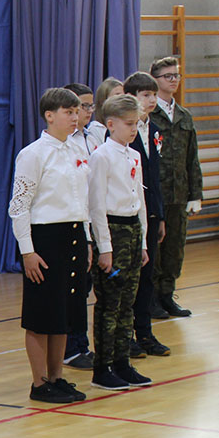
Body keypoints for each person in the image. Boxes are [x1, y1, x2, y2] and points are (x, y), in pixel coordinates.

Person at [8, 88, 91, 404]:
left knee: (64, 313)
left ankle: (57, 377)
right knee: (42, 315)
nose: (74, 117)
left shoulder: (76, 149)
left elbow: (82, 200)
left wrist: (87, 240)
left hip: (73, 234)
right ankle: (39, 382)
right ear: (49, 115)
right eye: (68, 112)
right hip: (45, 239)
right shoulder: (33, 154)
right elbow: (19, 206)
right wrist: (27, 251)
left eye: (76, 112)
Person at [87, 94, 151, 391]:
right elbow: (96, 205)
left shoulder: (133, 155)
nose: (133, 129)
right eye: (128, 124)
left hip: (132, 231)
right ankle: (103, 368)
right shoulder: (101, 156)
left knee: (128, 302)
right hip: (113, 231)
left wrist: (143, 241)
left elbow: (140, 201)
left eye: (136, 124)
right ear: (111, 124)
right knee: (110, 304)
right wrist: (105, 247)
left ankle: (123, 362)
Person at [149, 55, 203, 318]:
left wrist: (196, 194)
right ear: (155, 80)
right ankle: (151, 299)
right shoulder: (149, 115)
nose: (173, 80)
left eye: (176, 75)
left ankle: (167, 296)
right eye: (167, 76)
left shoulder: (184, 115)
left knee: (174, 249)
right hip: (156, 194)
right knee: (155, 250)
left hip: (179, 194)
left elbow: (192, 159)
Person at [123, 71, 170, 358]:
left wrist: (160, 215)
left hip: (150, 214)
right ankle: (125, 336)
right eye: (145, 95)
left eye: (153, 95)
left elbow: (155, 177)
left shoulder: (154, 130)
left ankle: (145, 333)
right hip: (128, 216)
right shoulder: (121, 134)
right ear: (131, 98)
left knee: (147, 277)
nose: (152, 100)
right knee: (128, 280)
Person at [62, 82, 99, 371]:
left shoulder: (95, 137)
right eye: (79, 107)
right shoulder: (63, 143)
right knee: (72, 292)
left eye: (89, 106)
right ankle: (70, 348)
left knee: (86, 288)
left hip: (93, 222)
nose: (85, 112)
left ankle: (83, 344)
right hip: (72, 224)